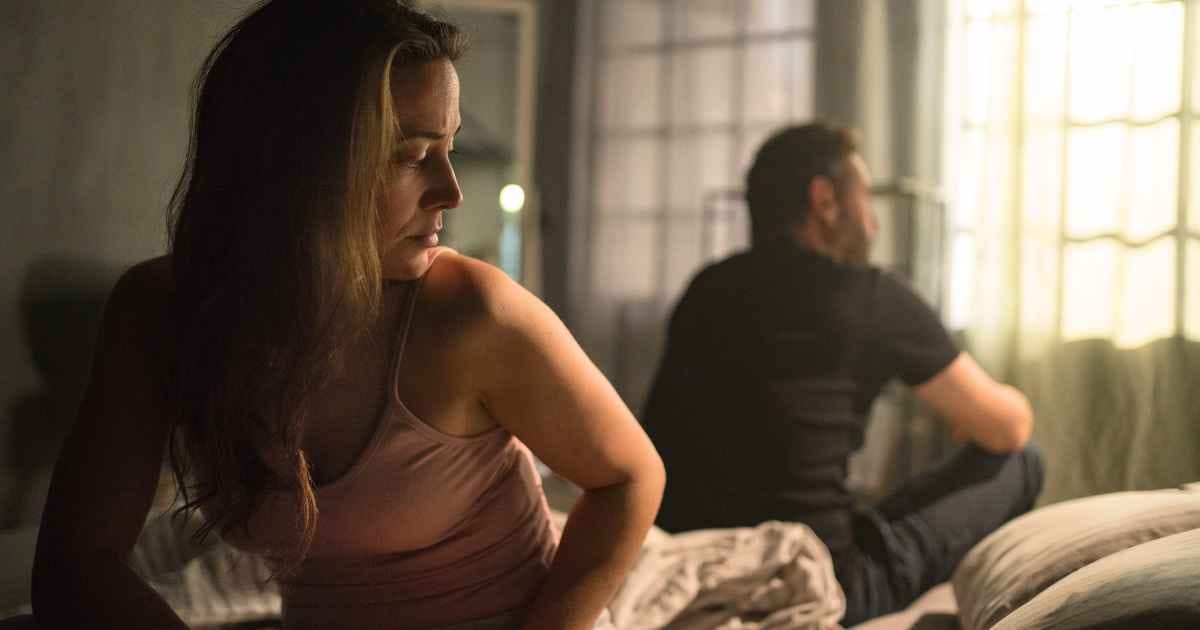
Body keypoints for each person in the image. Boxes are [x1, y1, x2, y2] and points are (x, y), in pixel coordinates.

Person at [30, 2, 664, 629]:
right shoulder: (161, 314)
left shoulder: (469, 313)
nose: (451, 192)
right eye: (410, 155)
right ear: (296, 167)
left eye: (448, 146)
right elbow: (77, 565)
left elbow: (631, 478)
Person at [642, 123, 1042, 625]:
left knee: (874, 510)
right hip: (826, 578)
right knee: (1023, 461)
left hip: (693, 561)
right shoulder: (871, 298)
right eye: (866, 199)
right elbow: (1008, 429)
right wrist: (980, 418)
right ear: (824, 201)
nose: (873, 224)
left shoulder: (707, 288)